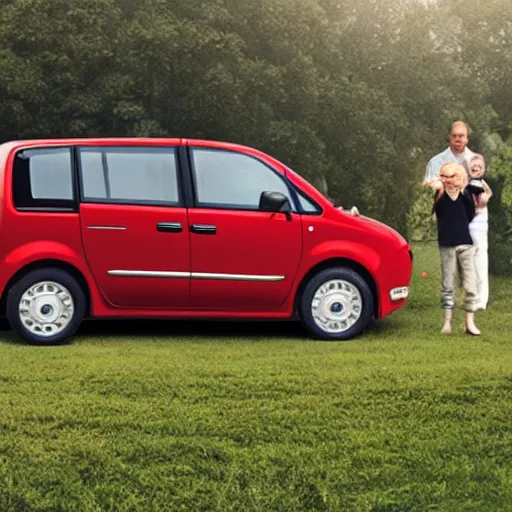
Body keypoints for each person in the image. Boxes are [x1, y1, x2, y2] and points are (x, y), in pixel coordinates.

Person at [433, 162, 480, 335]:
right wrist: (438, 189)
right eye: (444, 176)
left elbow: (470, 214)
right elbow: (437, 210)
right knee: (448, 284)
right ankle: (447, 322)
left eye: (452, 176)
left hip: (465, 244)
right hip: (447, 245)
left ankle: (470, 323)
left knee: (470, 283)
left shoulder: (466, 195)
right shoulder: (439, 196)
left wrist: (463, 189)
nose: (448, 180)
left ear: (459, 176)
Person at [467, 153, 492, 310]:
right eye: (473, 165)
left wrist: (479, 205)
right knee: (471, 264)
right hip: (468, 228)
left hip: (478, 227)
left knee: (480, 263)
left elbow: (478, 207)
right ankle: (474, 297)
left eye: (479, 166)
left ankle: (481, 300)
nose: (476, 168)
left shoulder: (479, 185)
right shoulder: (470, 183)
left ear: (483, 169)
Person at [424, 121, 475, 185]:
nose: (457, 139)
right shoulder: (435, 162)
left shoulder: (476, 162)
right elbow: (427, 191)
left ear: (467, 138)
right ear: (449, 138)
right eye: (454, 136)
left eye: (461, 136)